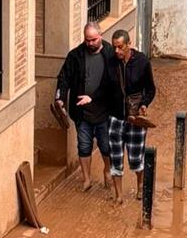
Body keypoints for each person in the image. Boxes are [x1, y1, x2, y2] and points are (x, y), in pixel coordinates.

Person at [56, 22, 116, 191]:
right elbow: (64, 78)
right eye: (87, 40)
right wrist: (60, 98)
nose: (90, 43)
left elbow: (114, 81)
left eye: (93, 40)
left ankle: (107, 170)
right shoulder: (75, 55)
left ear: (101, 36)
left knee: (106, 145)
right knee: (83, 145)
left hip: (104, 110)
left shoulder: (110, 53)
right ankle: (87, 179)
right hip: (82, 112)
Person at [108, 30, 157, 204]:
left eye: (120, 47)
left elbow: (151, 89)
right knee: (115, 158)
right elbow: (104, 87)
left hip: (135, 118)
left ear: (128, 44)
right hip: (115, 118)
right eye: (114, 47)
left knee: (136, 158)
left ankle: (141, 186)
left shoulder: (142, 62)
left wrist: (144, 104)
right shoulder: (111, 63)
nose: (117, 51)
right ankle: (119, 196)